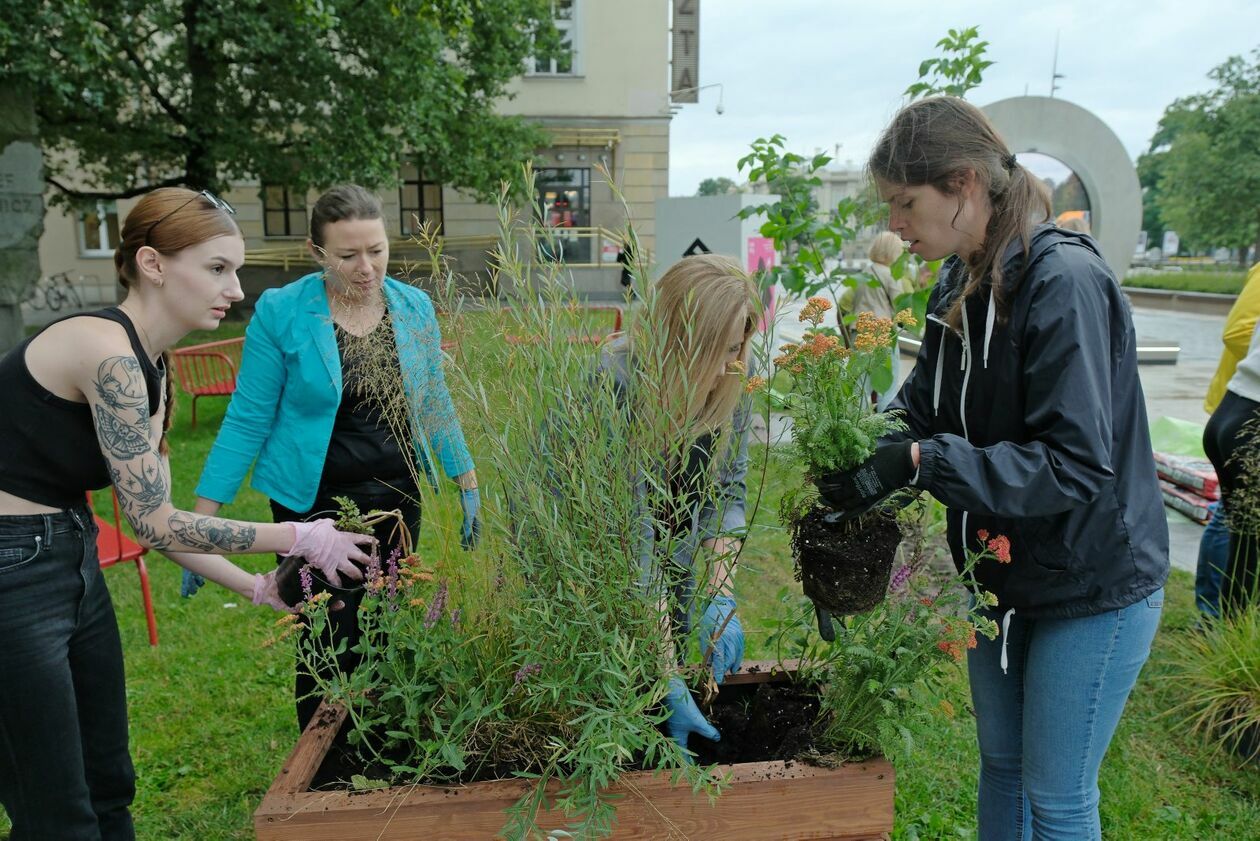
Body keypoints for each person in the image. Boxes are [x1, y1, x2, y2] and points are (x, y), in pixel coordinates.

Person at [816, 97, 1168, 840]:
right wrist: (860, 456)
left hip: (1090, 578)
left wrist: (920, 462)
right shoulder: (960, 281)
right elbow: (921, 407)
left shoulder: (1062, 283)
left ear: (965, 184)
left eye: (907, 204)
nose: (897, 226)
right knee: (1002, 768)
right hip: (997, 572)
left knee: (1057, 795)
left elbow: (1074, 465)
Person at [0, 187, 373, 840]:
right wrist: (298, 535)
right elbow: (153, 522)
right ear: (153, 263)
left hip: (66, 550)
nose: (235, 287)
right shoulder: (106, 353)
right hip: (12, 566)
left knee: (108, 779)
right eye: (217, 267)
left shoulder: (154, 365)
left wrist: (258, 587)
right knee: (55, 809)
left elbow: (159, 518)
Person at [193, 184, 479, 729]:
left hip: (397, 497)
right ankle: (321, 764)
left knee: (388, 628)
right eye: (348, 255)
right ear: (316, 251)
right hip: (311, 504)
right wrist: (200, 523)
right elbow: (248, 417)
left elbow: (435, 400)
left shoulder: (413, 307)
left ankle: (384, 747)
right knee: (325, 635)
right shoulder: (282, 311)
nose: (366, 267)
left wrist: (465, 478)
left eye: (376, 250)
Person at [595, 254, 756, 755]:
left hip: (675, 551)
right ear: (675, 341)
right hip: (600, 566)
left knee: (671, 660)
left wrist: (721, 597)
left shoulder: (732, 382)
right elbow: (630, 538)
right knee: (614, 684)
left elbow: (727, 491)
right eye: (718, 350)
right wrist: (664, 669)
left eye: (737, 348)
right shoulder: (613, 383)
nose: (728, 366)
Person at [1197, 262, 1260, 616]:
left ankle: (1226, 641)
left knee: (1245, 545)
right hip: (1251, 419)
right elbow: (1238, 332)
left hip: (1237, 408)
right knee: (1249, 550)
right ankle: (1233, 647)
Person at [853, 230, 912, 410]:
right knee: (888, 383)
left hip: (861, 332)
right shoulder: (890, 275)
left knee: (860, 383)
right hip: (883, 333)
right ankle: (885, 427)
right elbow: (900, 304)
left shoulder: (864, 272)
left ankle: (856, 424)